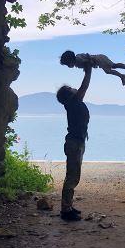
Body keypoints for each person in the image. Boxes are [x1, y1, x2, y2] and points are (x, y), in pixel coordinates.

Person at [56, 62, 92, 221]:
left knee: (73, 176)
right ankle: (65, 211)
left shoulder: (73, 103)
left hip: (76, 142)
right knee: (72, 177)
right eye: (71, 88)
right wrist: (88, 71)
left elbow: (82, 89)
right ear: (69, 95)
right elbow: (84, 86)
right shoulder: (72, 103)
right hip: (74, 143)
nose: (74, 88)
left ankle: (68, 205)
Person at [60, 50, 125, 86]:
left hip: (99, 59)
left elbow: (87, 58)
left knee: (113, 66)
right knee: (109, 70)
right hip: (99, 61)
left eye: (68, 64)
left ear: (71, 60)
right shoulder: (77, 63)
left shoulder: (78, 59)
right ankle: (123, 75)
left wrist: (90, 62)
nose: (69, 66)